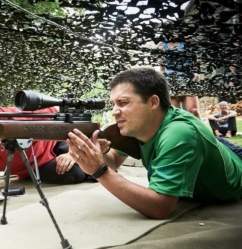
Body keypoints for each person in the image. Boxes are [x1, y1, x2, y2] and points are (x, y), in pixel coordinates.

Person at [66, 68, 242, 220]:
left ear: (153, 102)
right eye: (113, 104)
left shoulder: (179, 134)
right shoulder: (139, 123)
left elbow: (159, 207)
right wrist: (100, 154)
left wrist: (99, 171)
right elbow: (114, 160)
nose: (114, 112)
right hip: (212, 147)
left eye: (123, 103)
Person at [0, 78, 87, 204]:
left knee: (83, 163)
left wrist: (73, 152)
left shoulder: (24, 115)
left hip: (57, 143)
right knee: (74, 173)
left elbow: (68, 110)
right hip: (37, 166)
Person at [157, 41, 202, 119]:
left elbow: (195, 61)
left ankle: (200, 131)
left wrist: (196, 73)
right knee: (176, 114)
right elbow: (162, 67)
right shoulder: (162, 47)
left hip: (188, 79)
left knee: (193, 111)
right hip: (171, 81)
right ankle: (183, 131)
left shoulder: (186, 44)